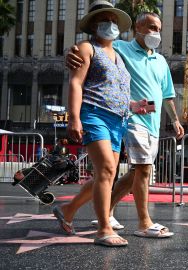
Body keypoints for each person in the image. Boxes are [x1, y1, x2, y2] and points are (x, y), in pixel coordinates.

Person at [67, 10, 184, 236]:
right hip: (128, 118)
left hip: (151, 121)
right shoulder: (122, 48)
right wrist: (71, 52)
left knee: (128, 171)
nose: (155, 33)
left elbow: (167, 94)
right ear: (136, 29)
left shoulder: (160, 60)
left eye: (158, 29)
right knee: (141, 169)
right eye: (150, 27)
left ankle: (94, 209)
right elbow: (93, 49)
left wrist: (176, 121)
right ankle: (144, 222)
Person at [52, 1, 133, 247]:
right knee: (107, 170)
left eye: (113, 19)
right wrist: (74, 117)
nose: (110, 24)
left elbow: (116, 89)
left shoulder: (119, 55)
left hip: (119, 120)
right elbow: (76, 83)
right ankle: (103, 228)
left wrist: (134, 105)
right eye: (104, 19)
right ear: (93, 24)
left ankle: (68, 209)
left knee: (105, 174)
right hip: (94, 114)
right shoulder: (86, 48)